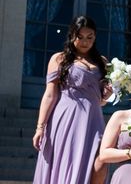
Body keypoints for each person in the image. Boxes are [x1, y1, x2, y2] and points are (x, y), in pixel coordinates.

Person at [32, 15, 111, 184]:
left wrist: (108, 95)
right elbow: (50, 94)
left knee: (99, 164)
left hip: (93, 120)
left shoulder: (103, 62)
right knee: (67, 162)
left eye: (90, 37)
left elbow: (101, 100)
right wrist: (40, 127)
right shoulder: (59, 59)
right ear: (72, 36)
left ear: (95, 37)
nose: (85, 42)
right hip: (66, 119)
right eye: (80, 37)